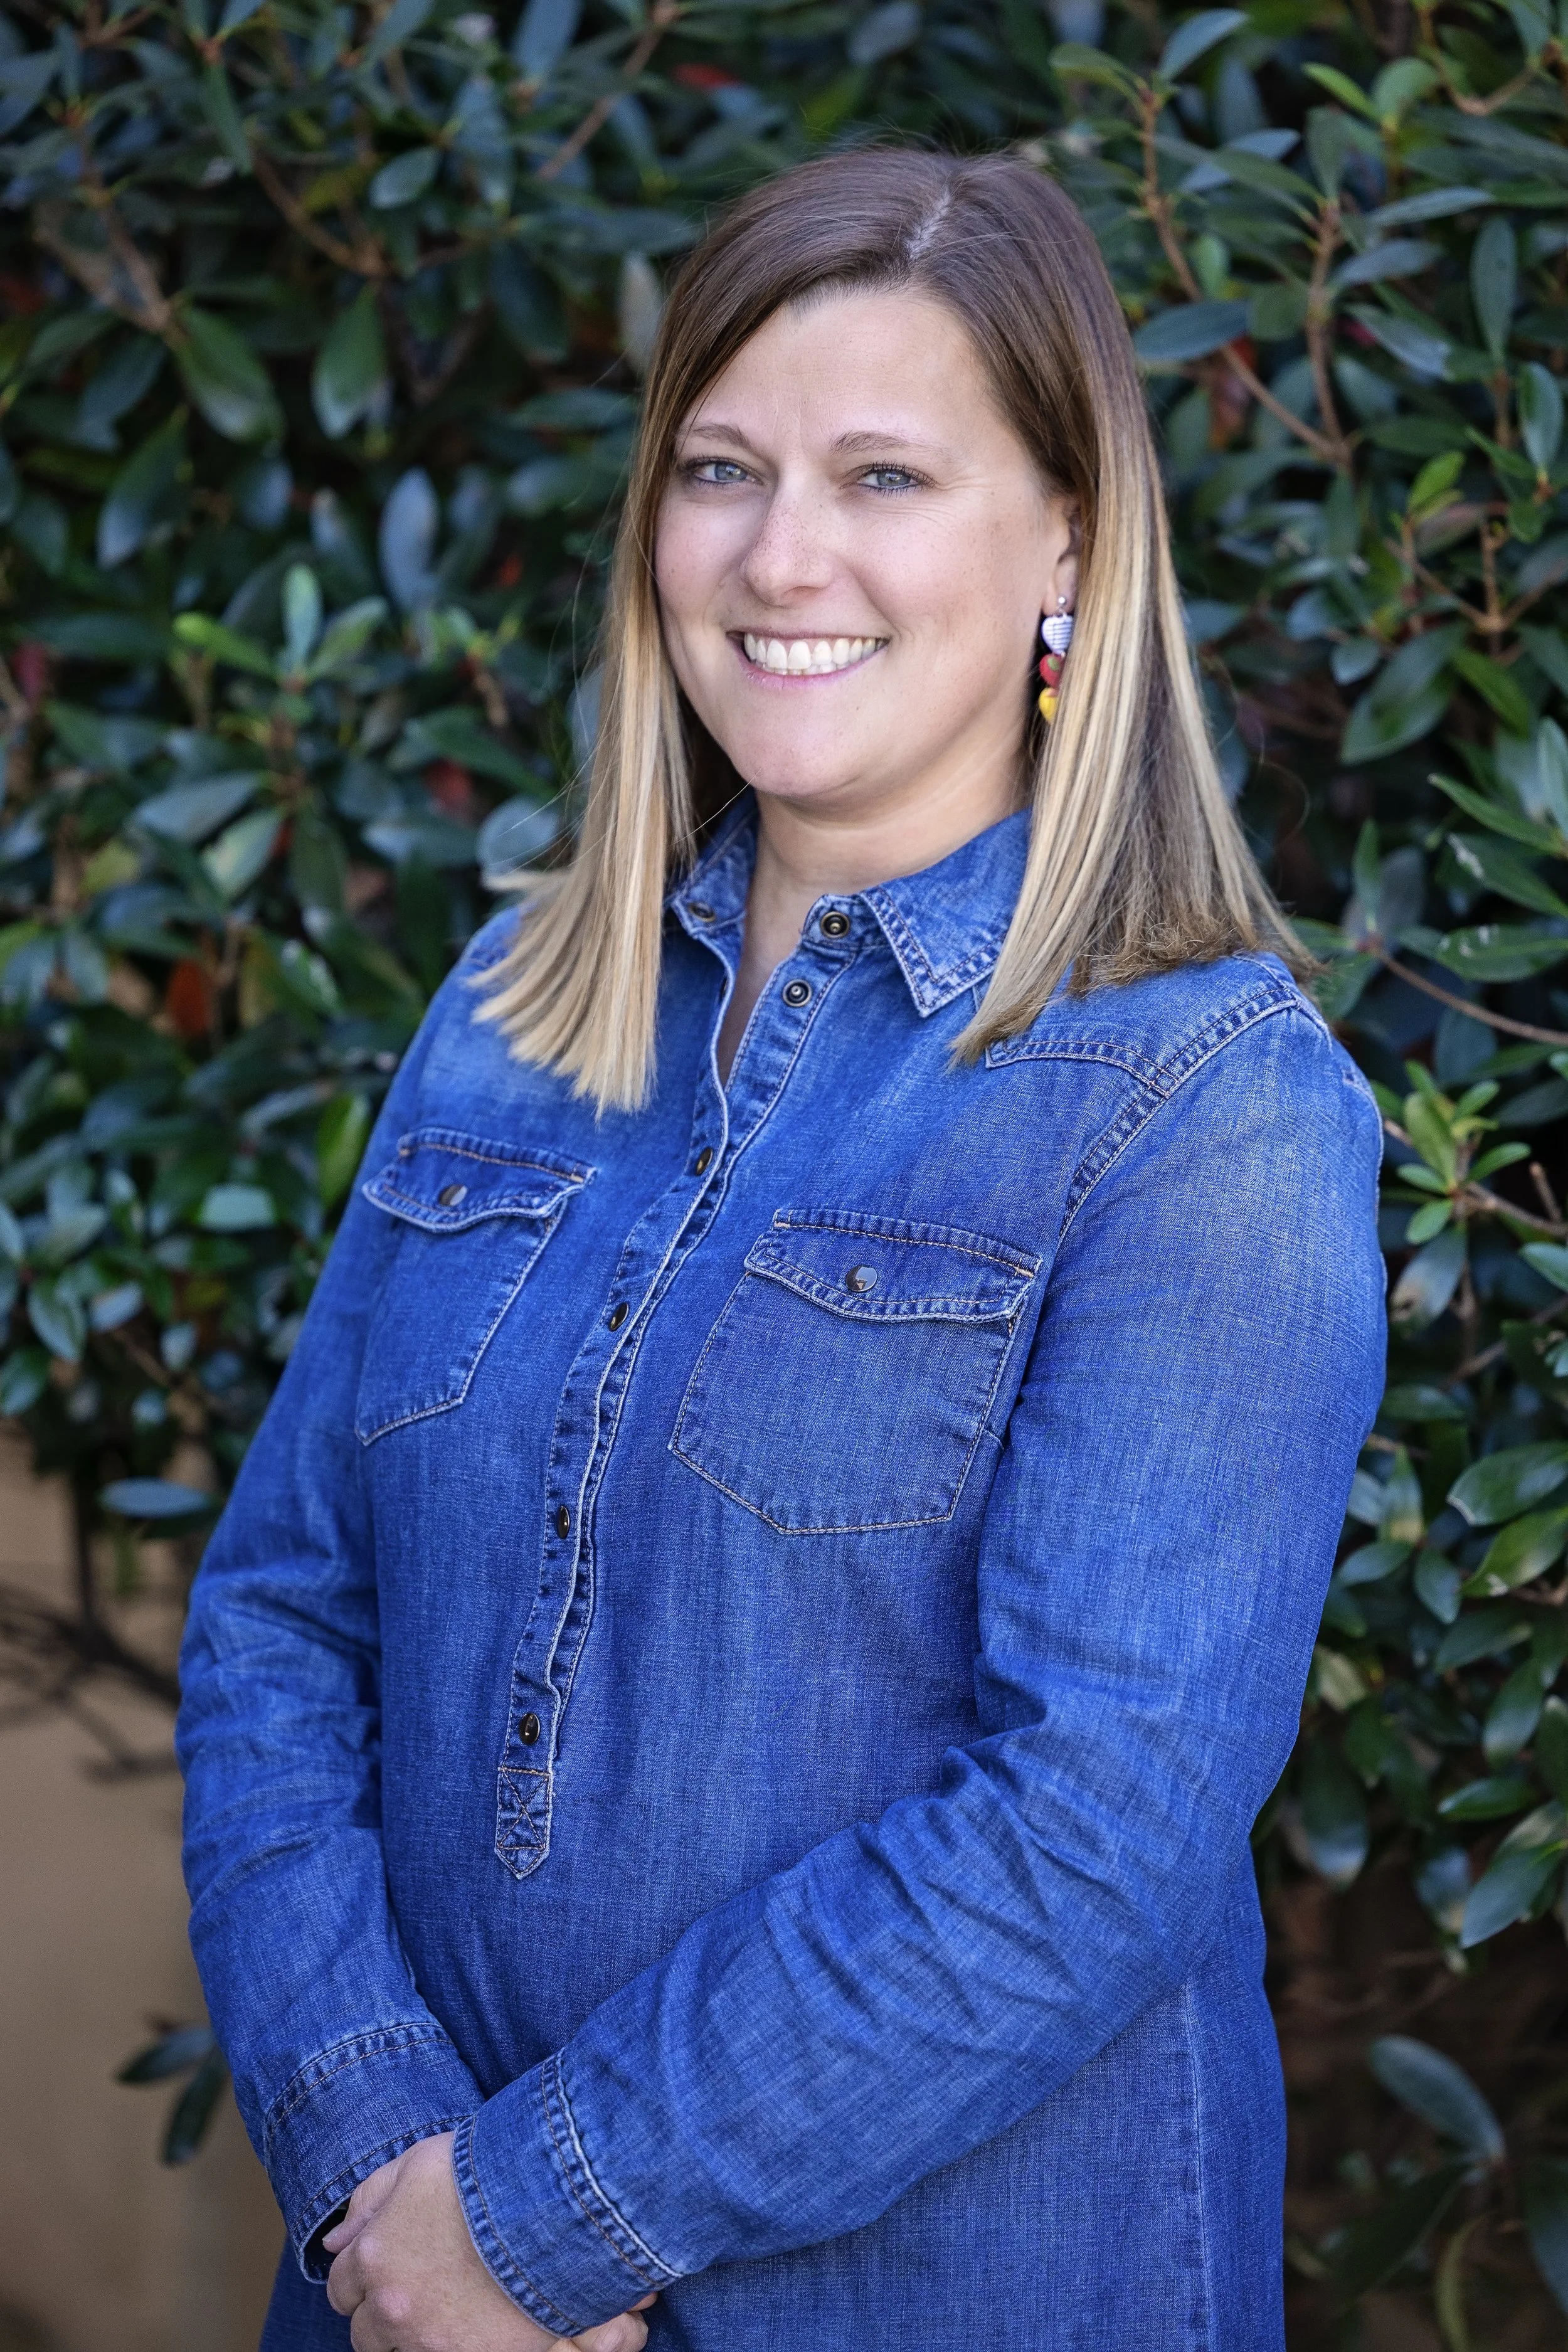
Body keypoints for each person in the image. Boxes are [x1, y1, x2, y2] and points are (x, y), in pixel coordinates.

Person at [177, 146, 1387, 2352]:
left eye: (883, 472)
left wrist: (538, 2219)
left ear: (1069, 547)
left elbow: (1091, 1821)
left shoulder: (1203, 1107)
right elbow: (278, 1616)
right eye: (718, 468)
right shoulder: (511, 1016)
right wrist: (381, 2169)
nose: (778, 553)